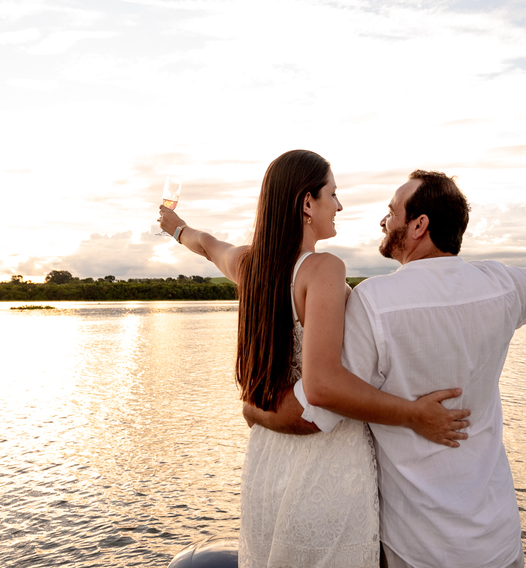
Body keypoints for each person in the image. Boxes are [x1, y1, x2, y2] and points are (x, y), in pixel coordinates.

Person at [157, 151, 470, 568]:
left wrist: (175, 228)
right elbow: (324, 385)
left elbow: (207, 245)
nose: (339, 206)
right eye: (333, 194)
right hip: (326, 472)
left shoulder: (251, 265)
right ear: (307, 203)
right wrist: (414, 414)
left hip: (266, 466)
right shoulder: (323, 268)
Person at [267, 170, 526, 568]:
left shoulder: (373, 303)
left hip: (419, 551)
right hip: (500, 544)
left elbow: (316, 409)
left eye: (392, 212)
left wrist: (253, 410)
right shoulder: (504, 285)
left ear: (419, 225)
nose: (383, 221)